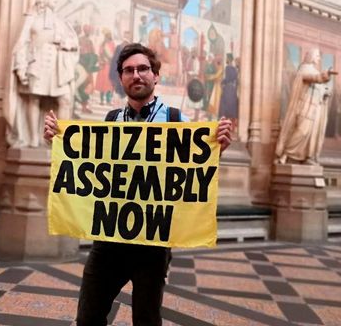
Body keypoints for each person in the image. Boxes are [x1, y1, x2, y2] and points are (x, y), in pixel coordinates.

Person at [43, 43, 233, 325]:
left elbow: (194, 166)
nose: (136, 75)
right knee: (88, 316)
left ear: (156, 75)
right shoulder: (111, 121)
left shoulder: (176, 120)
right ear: (121, 79)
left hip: (152, 242)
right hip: (109, 237)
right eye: (129, 70)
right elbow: (93, 169)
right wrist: (58, 141)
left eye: (143, 68)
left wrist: (218, 146)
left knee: (146, 319)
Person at [5, 0, 79, 148]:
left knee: (65, 100)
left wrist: (65, 43)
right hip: (37, 63)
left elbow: (73, 42)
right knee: (34, 99)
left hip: (58, 68)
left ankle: (60, 141)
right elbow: (22, 42)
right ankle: (32, 139)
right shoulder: (32, 18)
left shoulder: (60, 21)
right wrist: (20, 66)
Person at [274, 48, 334, 165]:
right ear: (311, 56)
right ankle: (285, 155)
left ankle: (307, 157)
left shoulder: (314, 71)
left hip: (313, 110)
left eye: (319, 56)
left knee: (309, 133)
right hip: (304, 107)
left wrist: (325, 93)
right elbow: (314, 78)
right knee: (302, 131)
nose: (319, 58)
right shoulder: (305, 69)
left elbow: (319, 89)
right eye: (317, 56)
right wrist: (325, 75)